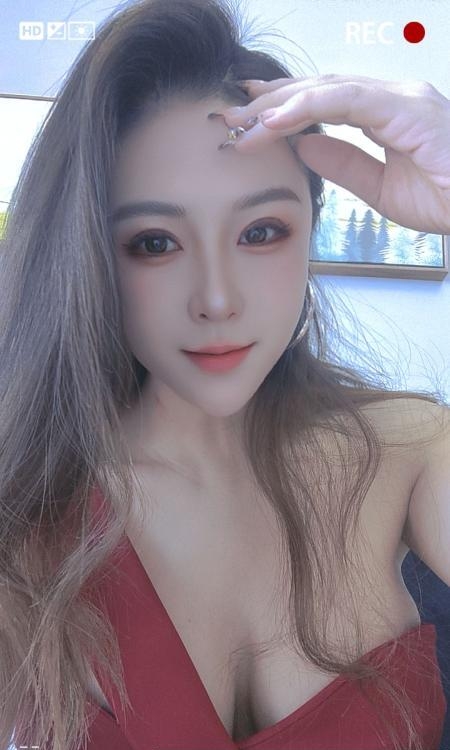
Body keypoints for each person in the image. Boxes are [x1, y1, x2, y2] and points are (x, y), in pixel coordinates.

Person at [2, 0, 450, 749]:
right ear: (87, 256)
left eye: (261, 232)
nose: (216, 299)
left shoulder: (408, 450)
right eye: (154, 242)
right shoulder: (25, 514)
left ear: (309, 229)